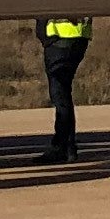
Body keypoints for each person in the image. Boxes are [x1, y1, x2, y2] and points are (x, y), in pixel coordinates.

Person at [36, 15, 91, 161]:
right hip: (79, 37)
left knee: (60, 95)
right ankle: (68, 147)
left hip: (60, 39)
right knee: (64, 94)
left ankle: (62, 147)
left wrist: (44, 34)